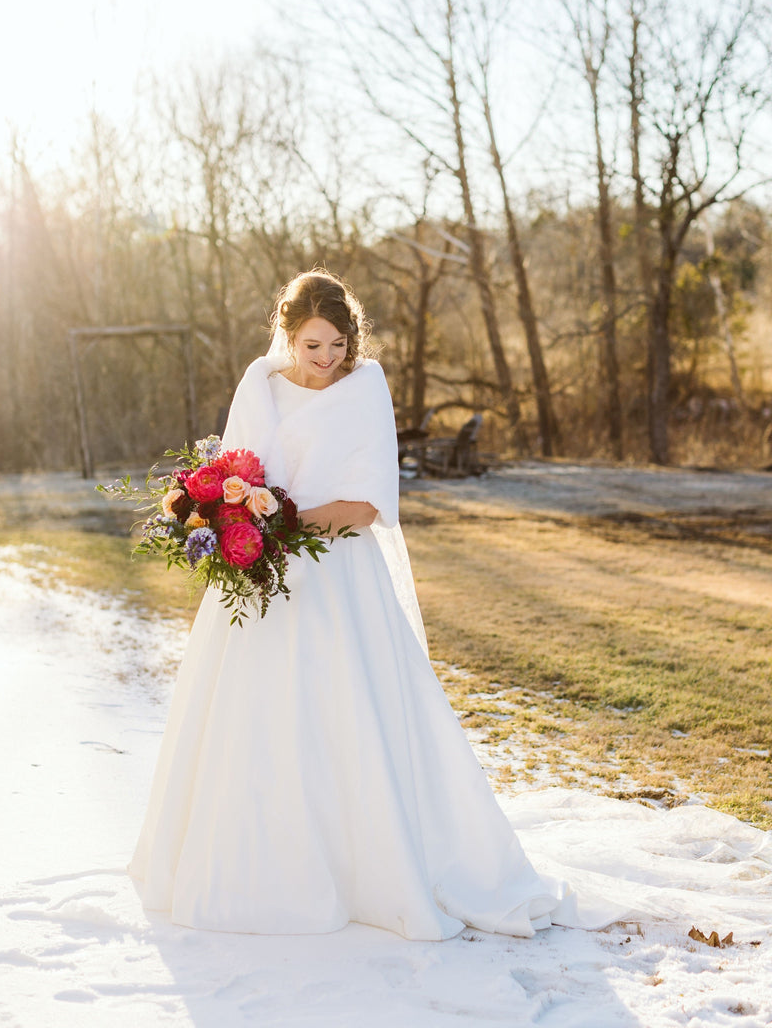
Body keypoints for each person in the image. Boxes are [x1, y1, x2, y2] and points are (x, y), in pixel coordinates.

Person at [128, 269, 612, 940]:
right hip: (265, 577)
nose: (326, 360)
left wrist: (287, 523)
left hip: (338, 577)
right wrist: (234, 517)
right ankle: (259, 869)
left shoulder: (367, 385)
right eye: (312, 346)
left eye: (337, 344)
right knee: (258, 718)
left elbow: (371, 502)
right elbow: (239, 472)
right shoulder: (258, 384)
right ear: (287, 336)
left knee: (347, 716)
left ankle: (374, 870)